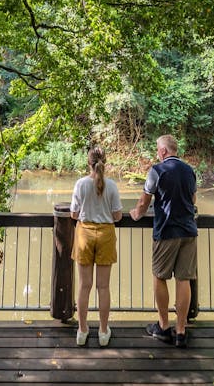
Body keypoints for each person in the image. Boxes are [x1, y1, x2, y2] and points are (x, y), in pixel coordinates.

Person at [129, 134, 196, 348]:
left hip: (166, 231)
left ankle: (164, 326)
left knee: (160, 276)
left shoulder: (157, 171)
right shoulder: (189, 170)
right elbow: (193, 200)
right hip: (188, 230)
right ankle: (181, 331)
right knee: (183, 279)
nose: (157, 153)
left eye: (158, 149)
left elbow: (144, 200)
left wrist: (136, 213)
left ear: (164, 151)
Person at [69, 145, 122, 347]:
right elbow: (117, 216)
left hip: (84, 235)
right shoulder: (112, 186)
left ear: (88, 163)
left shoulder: (80, 184)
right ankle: (102, 331)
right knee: (103, 287)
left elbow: (74, 214)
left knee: (84, 286)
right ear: (104, 163)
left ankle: (82, 331)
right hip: (106, 235)